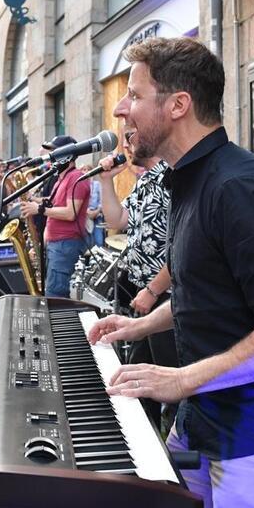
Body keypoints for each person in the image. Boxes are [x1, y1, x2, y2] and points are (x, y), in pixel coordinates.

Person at [87, 37, 254, 508]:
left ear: (178, 105)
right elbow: (205, 289)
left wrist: (180, 380)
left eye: (134, 95)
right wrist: (141, 325)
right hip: (206, 418)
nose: (120, 108)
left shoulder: (240, 189)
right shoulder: (187, 178)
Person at [95, 146, 175, 430]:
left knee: (169, 378)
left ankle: (172, 443)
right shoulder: (146, 180)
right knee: (138, 380)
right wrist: (106, 181)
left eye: (131, 136)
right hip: (145, 295)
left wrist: (153, 290)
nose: (126, 145)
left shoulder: (172, 179)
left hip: (166, 298)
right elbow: (117, 221)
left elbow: (180, 250)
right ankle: (146, 439)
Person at [21, 135, 91, 298]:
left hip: (65, 244)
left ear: (67, 155)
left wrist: (38, 208)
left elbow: (70, 212)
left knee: (55, 295)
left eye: (53, 152)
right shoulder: (62, 178)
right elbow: (53, 202)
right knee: (51, 291)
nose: (50, 157)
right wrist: (31, 198)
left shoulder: (76, 178)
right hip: (56, 244)